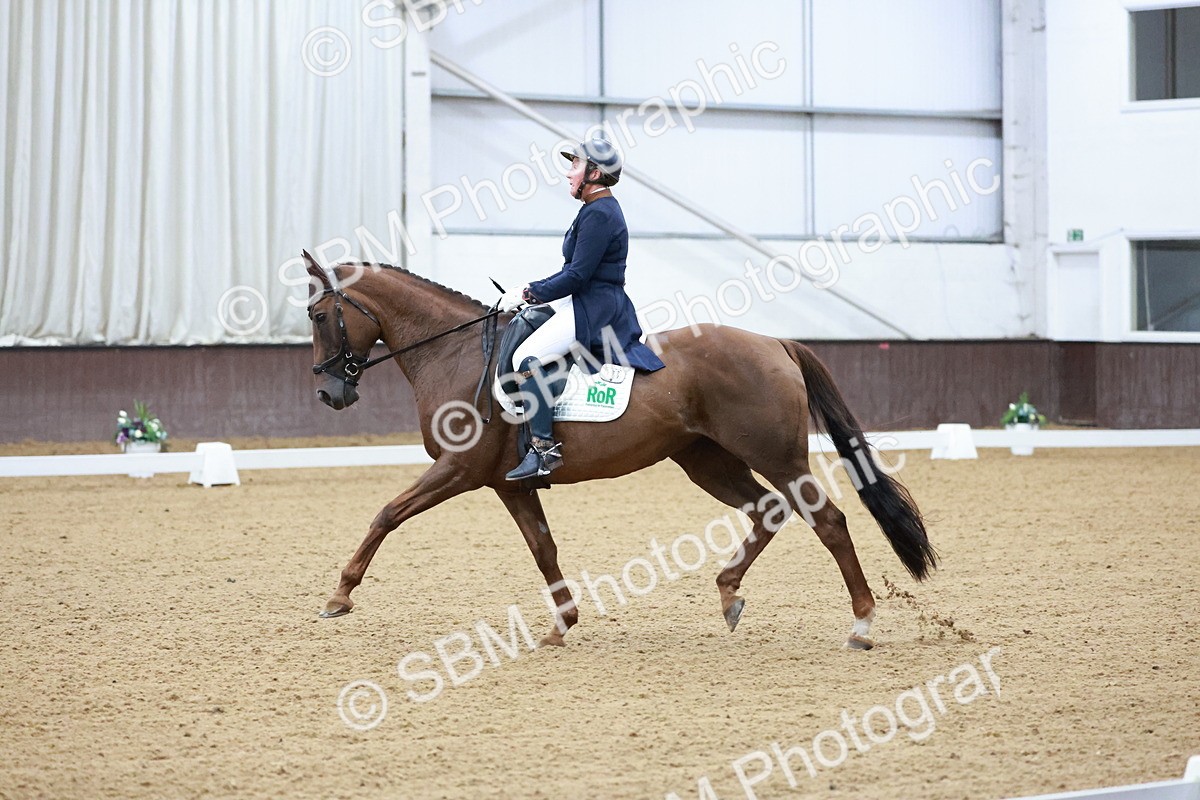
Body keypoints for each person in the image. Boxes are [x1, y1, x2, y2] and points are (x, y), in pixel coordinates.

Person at [498, 137, 665, 481]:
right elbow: (570, 271)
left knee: (526, 359)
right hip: (586, 298)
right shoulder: (593, 209)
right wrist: (530, 290)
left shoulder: (600, 214)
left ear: (594, 173)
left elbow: (576, 276)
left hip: (595, 306)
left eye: (575, 165)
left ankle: (543, 450)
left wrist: (529, 292)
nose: (568, 172)